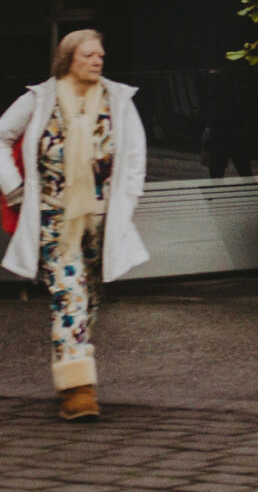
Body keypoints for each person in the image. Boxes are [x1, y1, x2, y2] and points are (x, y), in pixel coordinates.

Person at [0, 30, 148, 420]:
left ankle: (72, 366)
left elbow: (134, 155)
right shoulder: (40, 99)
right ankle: (77, 391)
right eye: (88, 55)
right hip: (54, 217)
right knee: (70, 297)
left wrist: (127, 202)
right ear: (68, 59)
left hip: (101, 219)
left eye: (101, 54)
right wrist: (14, 188)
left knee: (90, 299)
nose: (97, 61)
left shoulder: (118, 100)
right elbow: (0, 136)